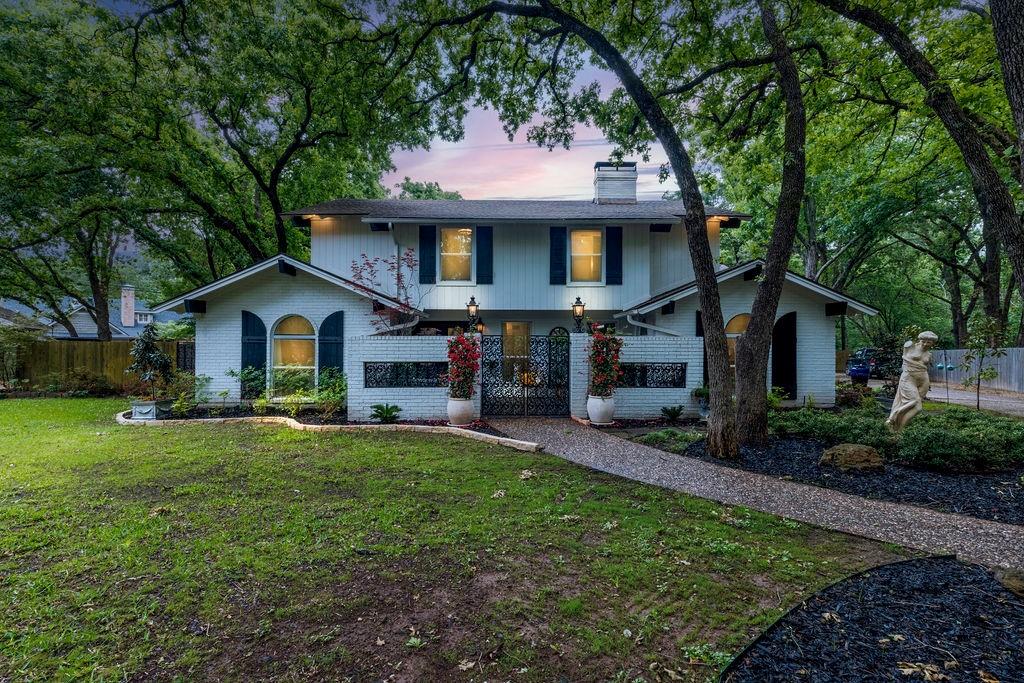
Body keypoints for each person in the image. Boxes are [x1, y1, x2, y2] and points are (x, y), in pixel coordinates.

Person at [886, 331, 939, 431]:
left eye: (929, 342)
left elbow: (925, 367)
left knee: (916, 408)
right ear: (920, 340)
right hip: (908, 378)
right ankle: (894, 415)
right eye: (923, 341)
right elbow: (904, 362)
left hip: (923, 380)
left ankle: (899, 430)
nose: (925, 344)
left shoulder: (929, 354)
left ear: (933, 343)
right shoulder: (910, 346)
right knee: (916, 404)